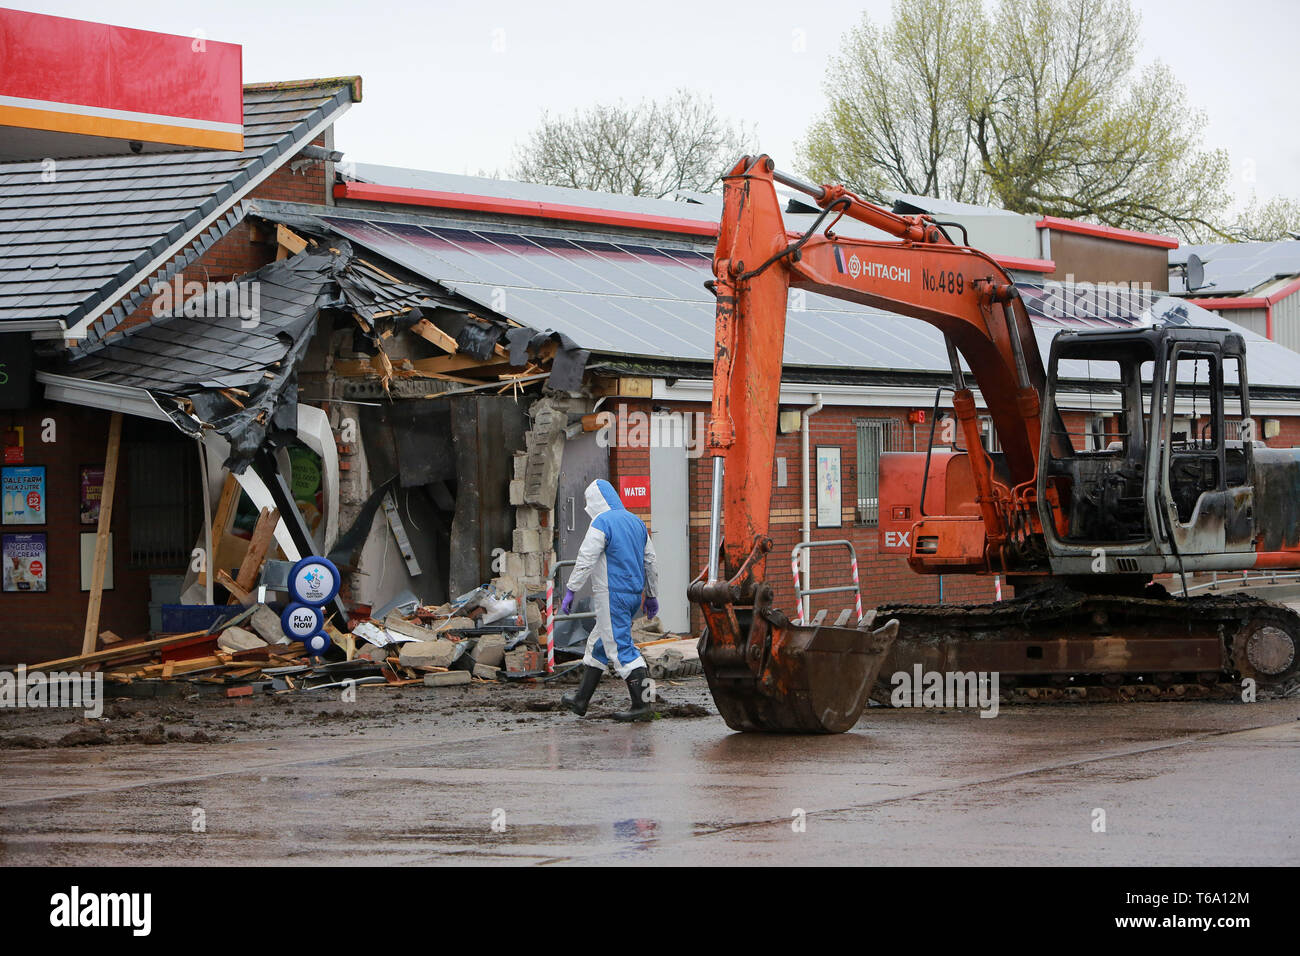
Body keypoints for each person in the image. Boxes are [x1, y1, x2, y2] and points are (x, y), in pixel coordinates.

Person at [560, 479, 660, 721]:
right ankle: (581, 700)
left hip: (611, 594)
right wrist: (652, 594)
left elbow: (586, 558)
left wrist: (572, 589)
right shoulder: (637, 522)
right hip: (633, 595)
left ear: (594, 501)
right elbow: (651, 562)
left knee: (620, 646)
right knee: (600, 644)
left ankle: (642, 704)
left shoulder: (602, 522)